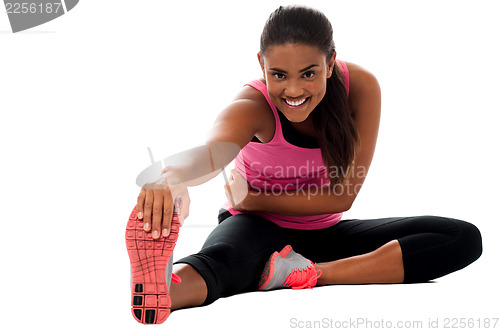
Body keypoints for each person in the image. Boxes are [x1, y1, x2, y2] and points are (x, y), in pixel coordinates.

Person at [125, 5, 483, 325]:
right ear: (261, 65)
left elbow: (340, 199)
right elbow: (212, 151)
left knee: (460, 238)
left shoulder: (360, 88)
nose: (293, 90)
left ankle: (307, 273)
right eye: (279, 74)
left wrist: (251, 199)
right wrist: (170, 176)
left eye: (308, 74)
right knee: (223, 261)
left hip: (320, 234)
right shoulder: (253, 105)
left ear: (330, 63)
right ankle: (161, 288)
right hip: (253, 227)